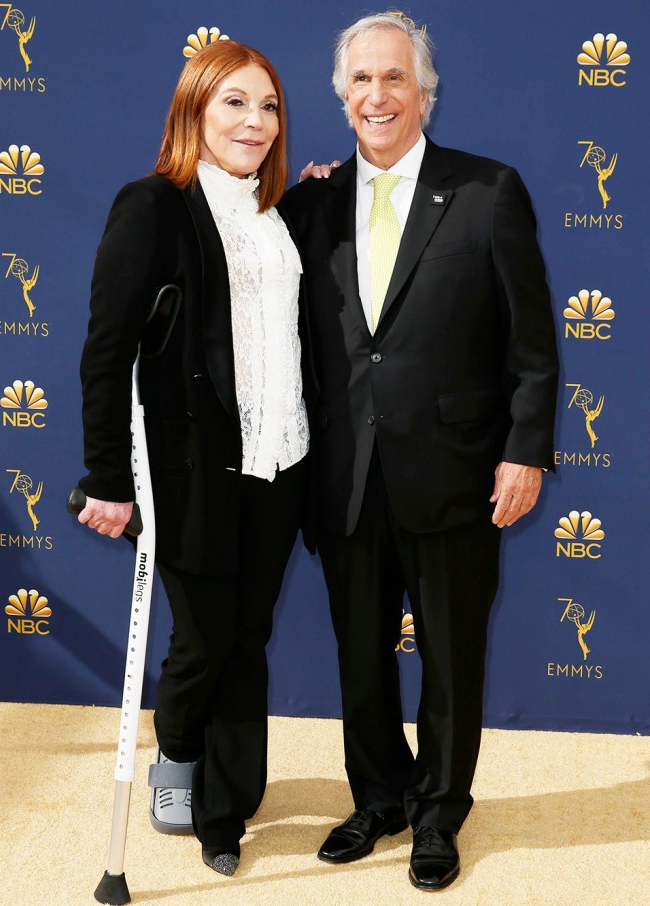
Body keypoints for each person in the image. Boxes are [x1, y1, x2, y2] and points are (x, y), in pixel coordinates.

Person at [280, 13, 558, 892]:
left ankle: (440, 813)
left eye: (394, 78)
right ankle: (380, 798)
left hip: (458, 474)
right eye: (360, 81)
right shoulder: (308, 202)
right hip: (346, 476)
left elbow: (533, 344)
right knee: (359, 657)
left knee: (451, 656)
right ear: (341, 95)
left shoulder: (488, 191)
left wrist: (525, 452)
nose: (377, 96)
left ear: (426, 92)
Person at [77, 40, 309, 877]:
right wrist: (105, 477)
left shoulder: (277, 210)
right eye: (235, 103)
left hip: (282, 460)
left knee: (246, 636)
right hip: (190, 470)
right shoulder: (154, 206)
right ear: (193, 112)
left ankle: (231, 796)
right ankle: (182, 764)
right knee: (205, 637)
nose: (255, 121)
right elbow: (106, 353)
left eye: (269, 106)